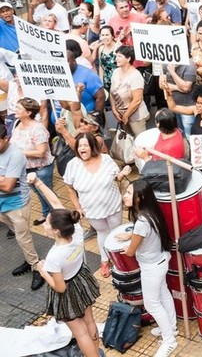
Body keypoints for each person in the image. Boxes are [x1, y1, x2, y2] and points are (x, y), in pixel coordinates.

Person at [26, 173, 102, 357]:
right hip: (81, 280)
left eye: (47, 222)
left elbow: (60, 288)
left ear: (56, 230)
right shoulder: (75, 230)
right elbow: (56, 202)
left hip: (68, 290)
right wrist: (38, 182)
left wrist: (43, 271)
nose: (44, 223)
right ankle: (96, 352)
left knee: (80, 332)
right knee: (90, 321)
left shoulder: (54, 256)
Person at [116, 179, 179, 357]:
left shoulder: (142, 221)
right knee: (163, 293)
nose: (125, 196)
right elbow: (145, 234)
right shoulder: (150, 213)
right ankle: (171, 328)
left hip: (151, 267)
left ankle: (169, 340)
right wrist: (131, 234)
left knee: (152, 304)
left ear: (140, 197)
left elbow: (130, 252)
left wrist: (127, 247)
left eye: (129, 192)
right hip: (161, 260)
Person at [63, 133, 127, 279]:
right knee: (102, 233)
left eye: (86, 145)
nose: (82, 148)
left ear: (92, 147)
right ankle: (105, 260)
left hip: (112, 204)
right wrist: (78, 207)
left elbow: (117, 178)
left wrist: (123, 173)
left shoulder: (106, 159)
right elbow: (69, 188)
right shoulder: (72, 165)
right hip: (91, 209)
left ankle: (120, 260)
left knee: (116, 232)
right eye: (80, 146)